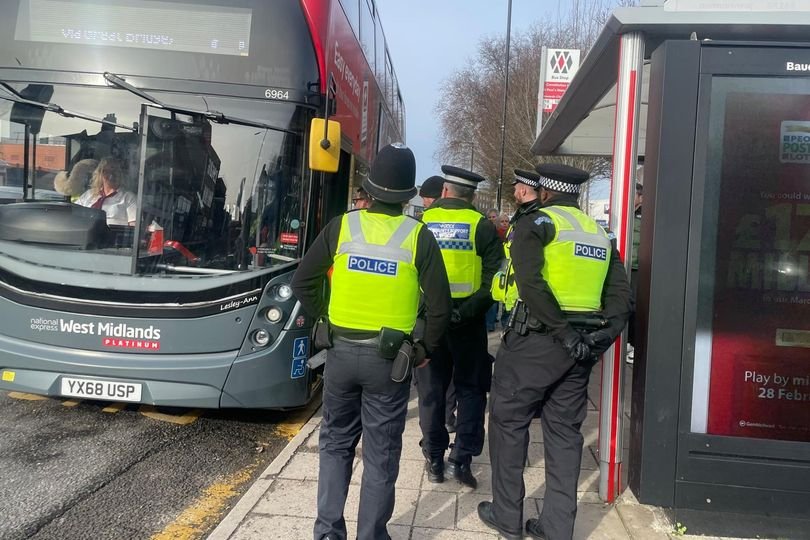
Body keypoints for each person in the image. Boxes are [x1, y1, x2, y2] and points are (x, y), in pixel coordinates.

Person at [290, 143, 451, 540]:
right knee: (381, 454)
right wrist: (424, 349)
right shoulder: (418, 237)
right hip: (391, 362)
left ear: (370, 187)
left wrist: (322, 319)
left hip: (340, 353)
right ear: (408, 194)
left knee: (335, 444)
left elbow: (303, 282)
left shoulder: (342, 227)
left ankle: (328, 531)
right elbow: (441, 306)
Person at [478, 165, 632, 540]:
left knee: (508, 423)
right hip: (581, 348)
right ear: (576, 194)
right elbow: (621, 298)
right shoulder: (599, 233)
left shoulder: (538, 224)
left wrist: (562, 332)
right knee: (564, 434)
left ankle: (507, 518)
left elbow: (530, 283)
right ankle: (557, 528)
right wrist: (600, 339)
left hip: (536, 341)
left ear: (545, 192)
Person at [417, 165, 503, 489]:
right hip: (468, 323)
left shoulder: (423, 222)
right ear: (472, 195)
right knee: (470, 390)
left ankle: (435, 460)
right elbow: (495, 280)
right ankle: (461, 459)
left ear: (444, 191)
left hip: (430, 322)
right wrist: (467, 311)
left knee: (431, 391)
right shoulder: (482, 226)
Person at [75, 157, 137, 226]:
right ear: (100, 174)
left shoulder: (129, 198)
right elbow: (73, 215)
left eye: (114, 171)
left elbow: (133, 228)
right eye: (106, 171)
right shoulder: (88, 194)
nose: (110, 175)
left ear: (120, 174)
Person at [627, 171, 643, 364]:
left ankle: (633, 343)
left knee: (636, 308)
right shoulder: (623, 214)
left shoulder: (644, 216)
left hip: (638, 268)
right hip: (625, 266)